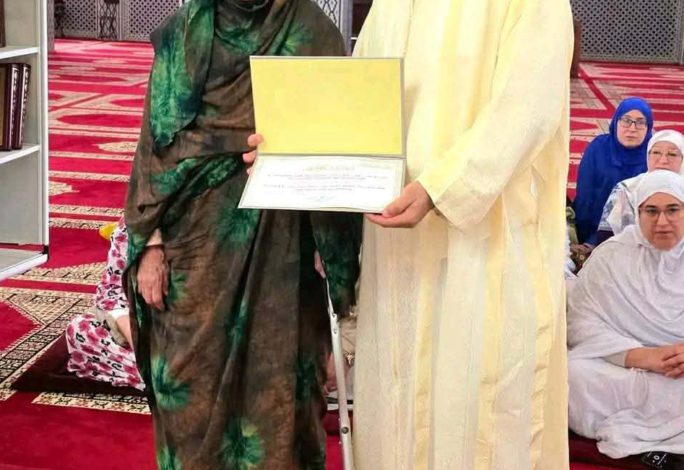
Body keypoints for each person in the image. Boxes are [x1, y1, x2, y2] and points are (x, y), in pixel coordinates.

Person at [246, 0, 574, 467]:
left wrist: (440, 189)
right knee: (397, 417)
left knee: (477, 416)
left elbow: (527, 110)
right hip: (398, 251)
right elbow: (359, 102)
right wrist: (292, 153)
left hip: (485, 247)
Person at [124, 1, 362, 469]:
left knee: (277, 397)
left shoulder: (312, 32)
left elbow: (339, 142)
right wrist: (149, 245)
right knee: (188, 394)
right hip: (193, 253)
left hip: (285, 250)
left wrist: (331, 243)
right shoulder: (184, 34)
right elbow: (154, 145)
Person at [567, 170, 684, 466]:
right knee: (571, 374)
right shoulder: (613, 255)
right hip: (625, 365)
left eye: (673, 210)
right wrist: (642, 357)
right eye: (651, 211)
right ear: (637, 213)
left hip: (680, 373)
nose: (662, 221)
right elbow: (580, 323)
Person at [65, 218, 143, 390]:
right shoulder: (129, 227)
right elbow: (112, 294)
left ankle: (168, 378)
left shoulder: (201, 230)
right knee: (81, 329)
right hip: (145, 326)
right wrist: (139, 345)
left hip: (193, 330)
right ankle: (159, 375)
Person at [573, 97, 654, 246]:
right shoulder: (598, 148)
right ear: (616, 122)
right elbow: (585, 196)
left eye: (640, 122)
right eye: (626, 120)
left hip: (637, 238)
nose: (632, 128)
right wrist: (587, 239)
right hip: (590, 227)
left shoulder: (654, 155)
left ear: (648, 127)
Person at [595, 130, 684, 241]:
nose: (663, 160)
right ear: (647, 156)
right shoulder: (627, 190)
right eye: (656, 153)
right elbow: (605, 238)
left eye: (672, 154)